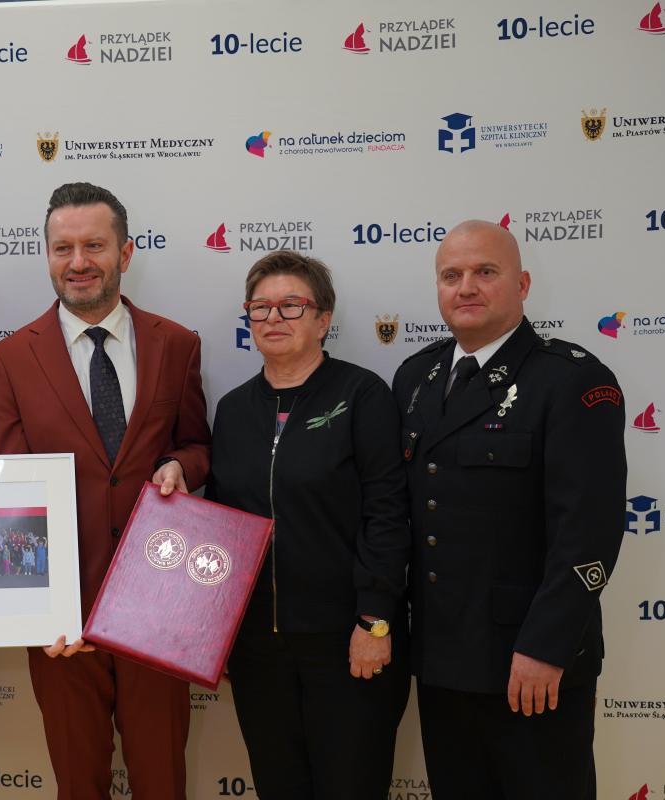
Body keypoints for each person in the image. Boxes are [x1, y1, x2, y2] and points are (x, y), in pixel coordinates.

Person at [0, 182, 211, 800]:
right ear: (48, 256)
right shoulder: (10, 358)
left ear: (126, 253)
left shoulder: (177, 344)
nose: (78, 261)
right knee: (77, 783)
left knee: (162, 780)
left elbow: (197, 443)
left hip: (158, 606)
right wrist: (43, 607)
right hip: (62, 620)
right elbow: (10, 490)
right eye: (63, 248)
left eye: (94, 246)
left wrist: (180, 464)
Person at [391, 220, 627, 799]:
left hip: (531, 661)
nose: (466, 287)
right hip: (443, 658)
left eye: (485, 272)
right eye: (451, 275)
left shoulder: (571, 380)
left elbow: (588, 532)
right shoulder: (416, 378)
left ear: (521, 285)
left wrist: (546, 646)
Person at [206, 250, 410, 798]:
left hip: (347, 642)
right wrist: (215, 634)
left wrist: (375, 620)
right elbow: (222, 529)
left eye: (291, 305)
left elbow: (387, 512)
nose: (273, 317)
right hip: (257, 649)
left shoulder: (362, 395)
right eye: (261, 307)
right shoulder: (233, 410)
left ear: (323, 319)